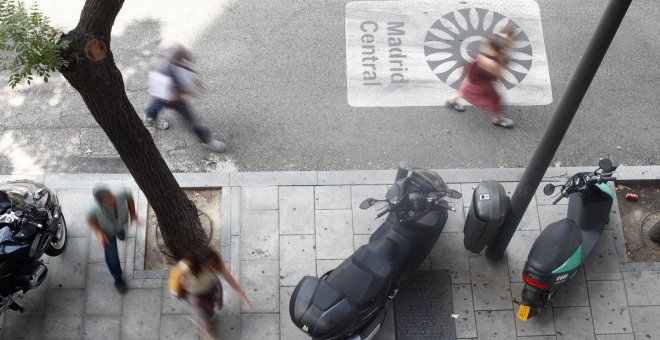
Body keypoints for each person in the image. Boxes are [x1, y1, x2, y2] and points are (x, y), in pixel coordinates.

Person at [145, 44, 227, 152]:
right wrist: (187, 92)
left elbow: (191, 70)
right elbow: (168, 98)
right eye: (182, 61)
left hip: (170, 92)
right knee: (189, 118)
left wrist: (194, 81)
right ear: (175, 61)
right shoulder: (165, 73)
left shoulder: (182, 58)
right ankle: (206, 140)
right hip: (171, 96)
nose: (186, 63)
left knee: (158, 102)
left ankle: (150, 114)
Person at [170, 246, 252, 339]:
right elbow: (174, 280)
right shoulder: (185, 267)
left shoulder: (214, 259)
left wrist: (241, 295)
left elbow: (227, 275)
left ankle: (210, 316)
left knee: (212, 307)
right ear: (198, 264)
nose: (213, 269)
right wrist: (175, 293)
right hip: (196, 295)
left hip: (211, 287)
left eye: (213, 266)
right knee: (202, 315)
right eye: (208, 267)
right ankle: (205, 331)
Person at [446, 28, 515, 128]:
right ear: (497, 51)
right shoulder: (491, 63)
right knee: (494, 98)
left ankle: (452, 101)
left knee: (467, 87)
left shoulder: (488, 49)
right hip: (482, 79)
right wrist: (503, 62)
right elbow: (499, 74)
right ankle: (498, 119)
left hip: (475, 73)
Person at [86, 185, 137, 293]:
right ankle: (118, 278)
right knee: (112, 257)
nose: (113, 199)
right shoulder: (92, 209)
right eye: (109, 200)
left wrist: (133, 213)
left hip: (121, 222)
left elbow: (129, 198)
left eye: (112, 196)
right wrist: (99, 233)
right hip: (107, 232)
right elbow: (91, 221)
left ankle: (120, 232)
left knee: (121, 230)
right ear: (102, 203)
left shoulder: (121, 192)